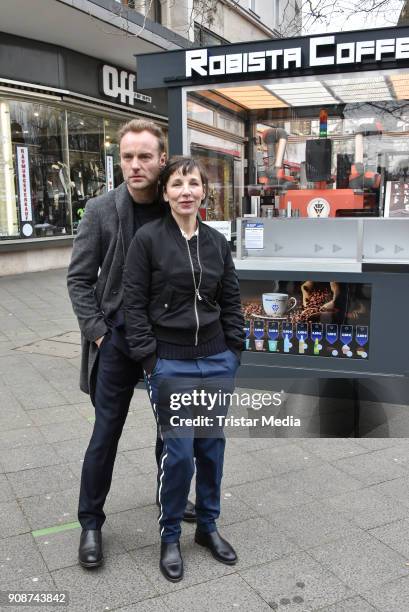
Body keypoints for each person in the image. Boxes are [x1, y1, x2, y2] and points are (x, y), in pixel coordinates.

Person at [66, 120, 196, 570]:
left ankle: (171, 503)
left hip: (166, 339)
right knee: (105, 433)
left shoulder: (174, 205)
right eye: (127, 157)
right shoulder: (101, 209)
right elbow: (79, 280)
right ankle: (90, 522)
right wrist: (100, 332)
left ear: (163, 159)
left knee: (173, 431)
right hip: (117, 338)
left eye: (144, 156)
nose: (135, 165)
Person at [123, 157, 245, 582]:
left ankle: (208, 528)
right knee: (179, 455)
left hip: (216, 359)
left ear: (204, 192)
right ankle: (170, 534)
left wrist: (234, 351)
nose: (186, 191)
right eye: (177, 184)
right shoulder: (148, 240)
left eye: (194, 183)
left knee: (211, 448)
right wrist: (150, 360)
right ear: (166, 192)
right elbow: (133, 305)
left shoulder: (215, 242)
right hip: (170, 362)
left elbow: (231, 299)